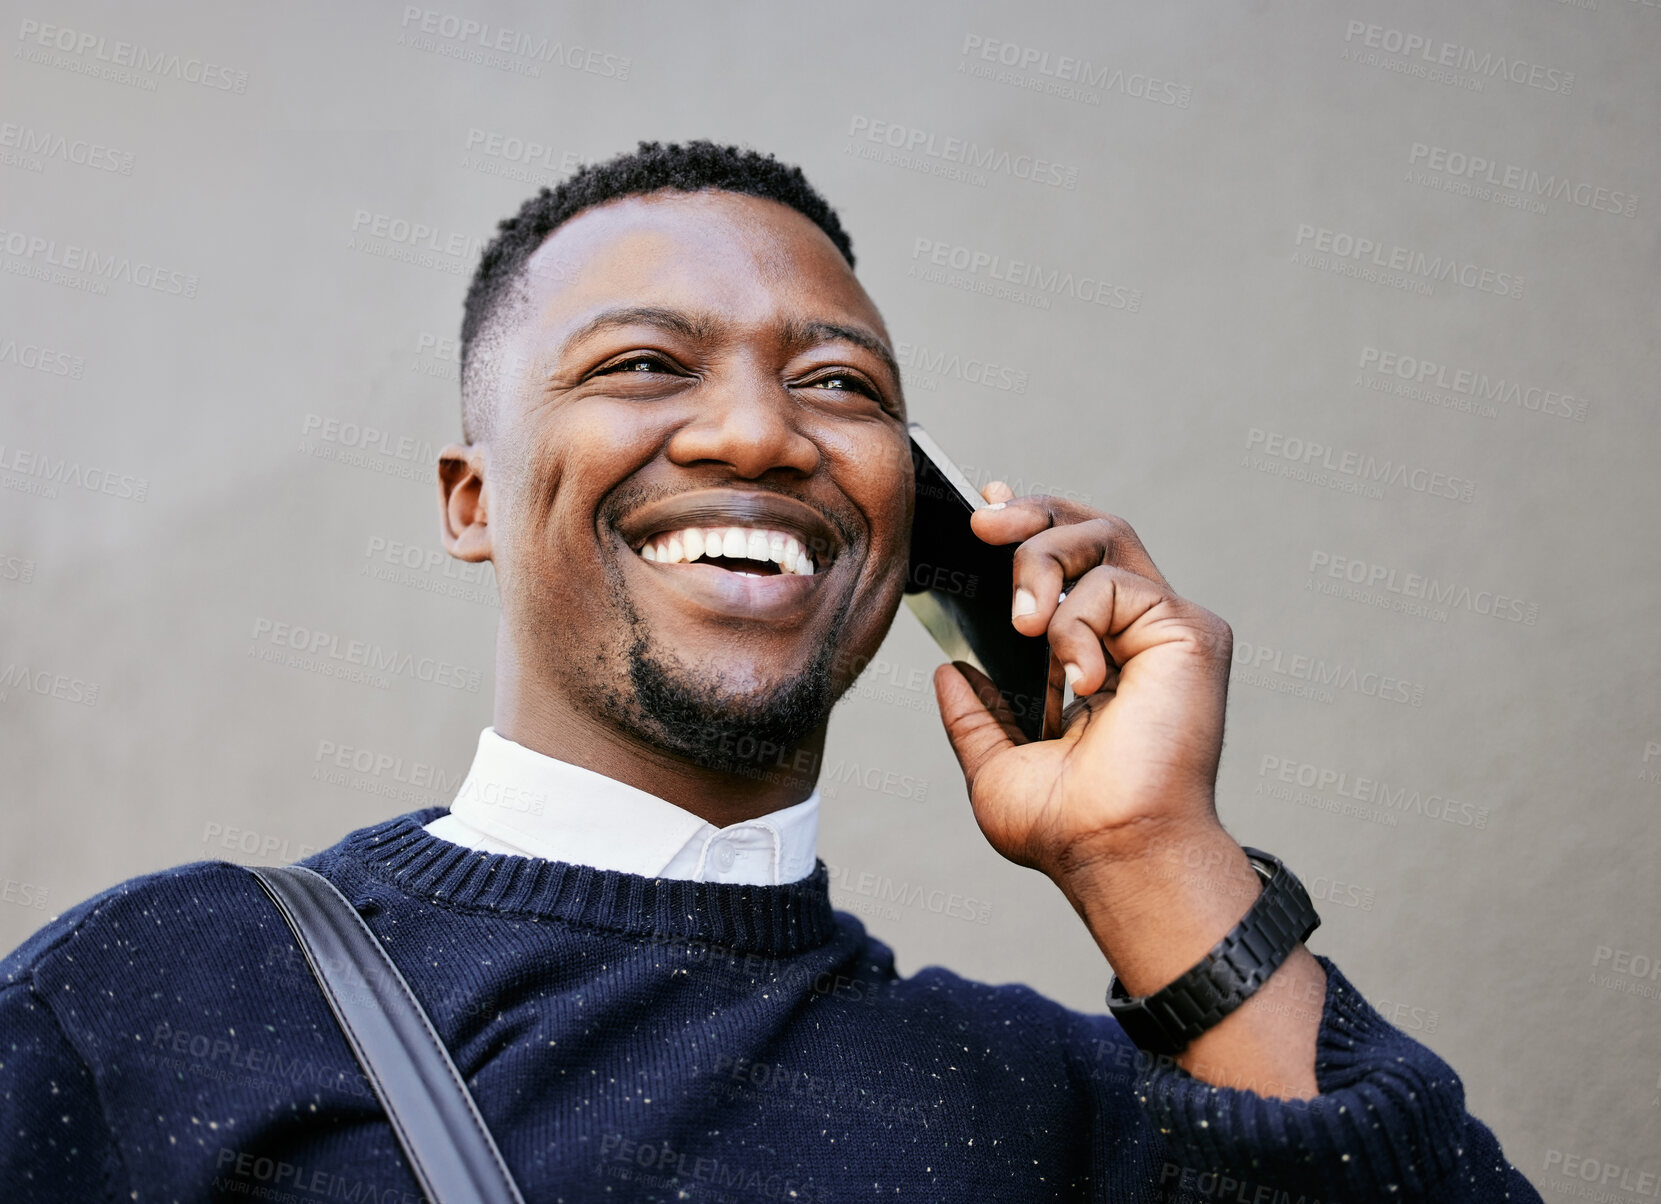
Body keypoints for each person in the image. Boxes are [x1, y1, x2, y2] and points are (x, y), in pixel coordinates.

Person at [0, 140, 1540, 1203]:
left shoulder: (1064, 1106)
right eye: (643, 365)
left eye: (837, 386)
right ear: (473, 500)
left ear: (920, 513)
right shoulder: (162, 991)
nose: (757, 434)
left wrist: (1154, 858)